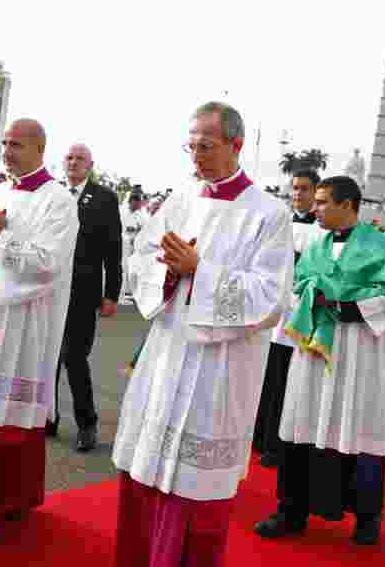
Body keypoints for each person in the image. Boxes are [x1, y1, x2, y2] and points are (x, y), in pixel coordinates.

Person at [112, 101, 293, 567]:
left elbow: (270, 297)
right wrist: (167, 275)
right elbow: (143, 258)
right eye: (190, 146)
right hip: (168, 350)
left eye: (206, 147)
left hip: (220, 369)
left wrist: (200, 272)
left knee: (194, 487)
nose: (195, 157)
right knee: (147, 471)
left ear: (236, 145)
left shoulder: (269, 213)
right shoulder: (181, 199)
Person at [256, 175, 385, 547]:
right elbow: (295, 289)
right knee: (302, 422)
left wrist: (348, 306)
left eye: (323, 202)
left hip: (359, 352)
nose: (316, 208)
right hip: (313, 351)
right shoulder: (315, 245)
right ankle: (291, 510)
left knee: (358, 427)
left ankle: (367, 517)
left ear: (348, 205)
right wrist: (309, 297)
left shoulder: (383, 247)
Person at [0, 118, 79, 539]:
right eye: (4, 143)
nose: (7, 151)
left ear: (39, 148)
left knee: (10, 415)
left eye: (16, 144)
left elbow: (48, 263)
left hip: (25, 319)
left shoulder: (59, 200)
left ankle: (7, 504)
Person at [50, 142, 122, 452]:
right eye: (69, 157)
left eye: (80, 158)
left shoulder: (104, 198)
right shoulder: (52, 194)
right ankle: (47, 418)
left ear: (90, 165)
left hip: (83, 291)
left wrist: (111, 294)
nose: (74, 162)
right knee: (48, 357)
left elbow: (113, 250)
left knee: (75, 359)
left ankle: (87, 424)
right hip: (50, 288)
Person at [253, 167, 323, 468]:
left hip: (300, 314)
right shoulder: (278, 221)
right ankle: (257, 437)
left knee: (287, 381)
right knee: (265, 378)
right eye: (294, 188)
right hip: (271, 313)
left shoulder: (324, 231)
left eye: (304, 188)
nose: (297, 193)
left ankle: (278, 444)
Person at [119, 188, 149, 305]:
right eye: (138, 203)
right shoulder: (121, 211)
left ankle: (126, 293)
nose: (140, 205)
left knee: (131, 270)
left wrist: (137, 232)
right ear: (132, 201)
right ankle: (119, 296)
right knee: (122, 269)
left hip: (133, 247)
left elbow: (144, 229)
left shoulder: (140, 215)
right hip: (121, 245)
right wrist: (128, 235)